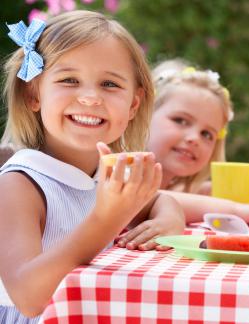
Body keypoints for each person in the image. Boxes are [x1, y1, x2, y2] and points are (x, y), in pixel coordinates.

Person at [0, 11, 185, 321]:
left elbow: (159, 199)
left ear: (133, 106)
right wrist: (105, 219)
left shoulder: (103, 172)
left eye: (109, 84)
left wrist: (169, 218)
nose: (89, 98)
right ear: (34, 93)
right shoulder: (19, 184)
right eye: (69, 80)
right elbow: (29, 297)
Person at [112, 60, 249, 250]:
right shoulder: (118, 170)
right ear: (143, 113)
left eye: (207, 134)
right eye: (180, 120)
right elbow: (154, 197)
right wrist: (240, 210)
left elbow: (186, 196)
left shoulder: (182, 186)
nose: (194, 138)